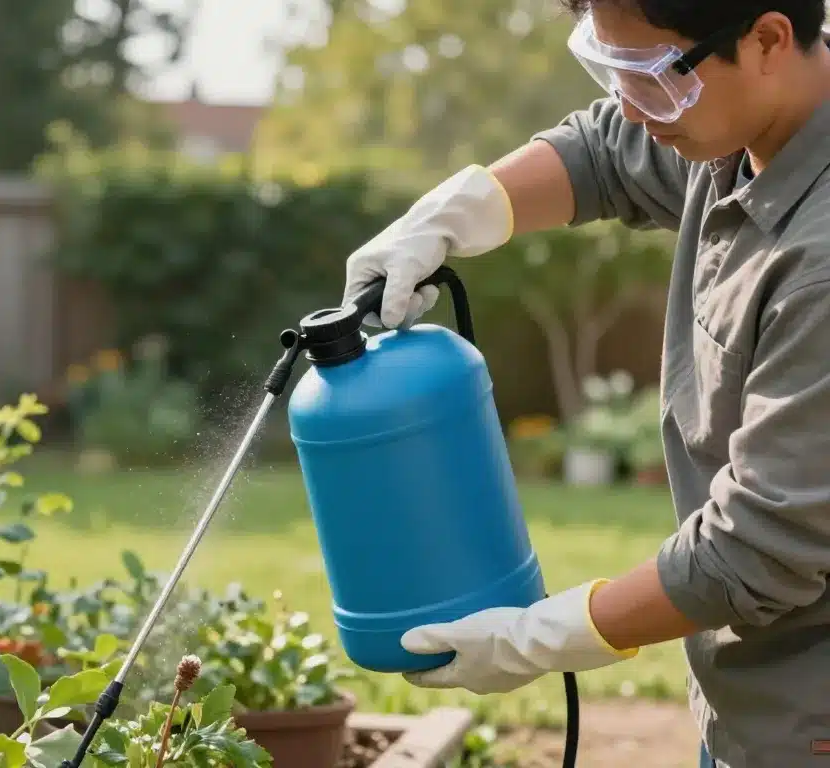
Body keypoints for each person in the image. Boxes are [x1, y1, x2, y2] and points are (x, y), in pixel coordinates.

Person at [341, 2, 830, 766]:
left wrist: (535, 638)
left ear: (767, 39)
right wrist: (450, 214)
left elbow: (763, 548)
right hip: (753, 705)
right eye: (611, 70)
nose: (632, 107)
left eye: (650, 78)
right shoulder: (740, 130)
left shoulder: (822, 257)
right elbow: (606, 152)